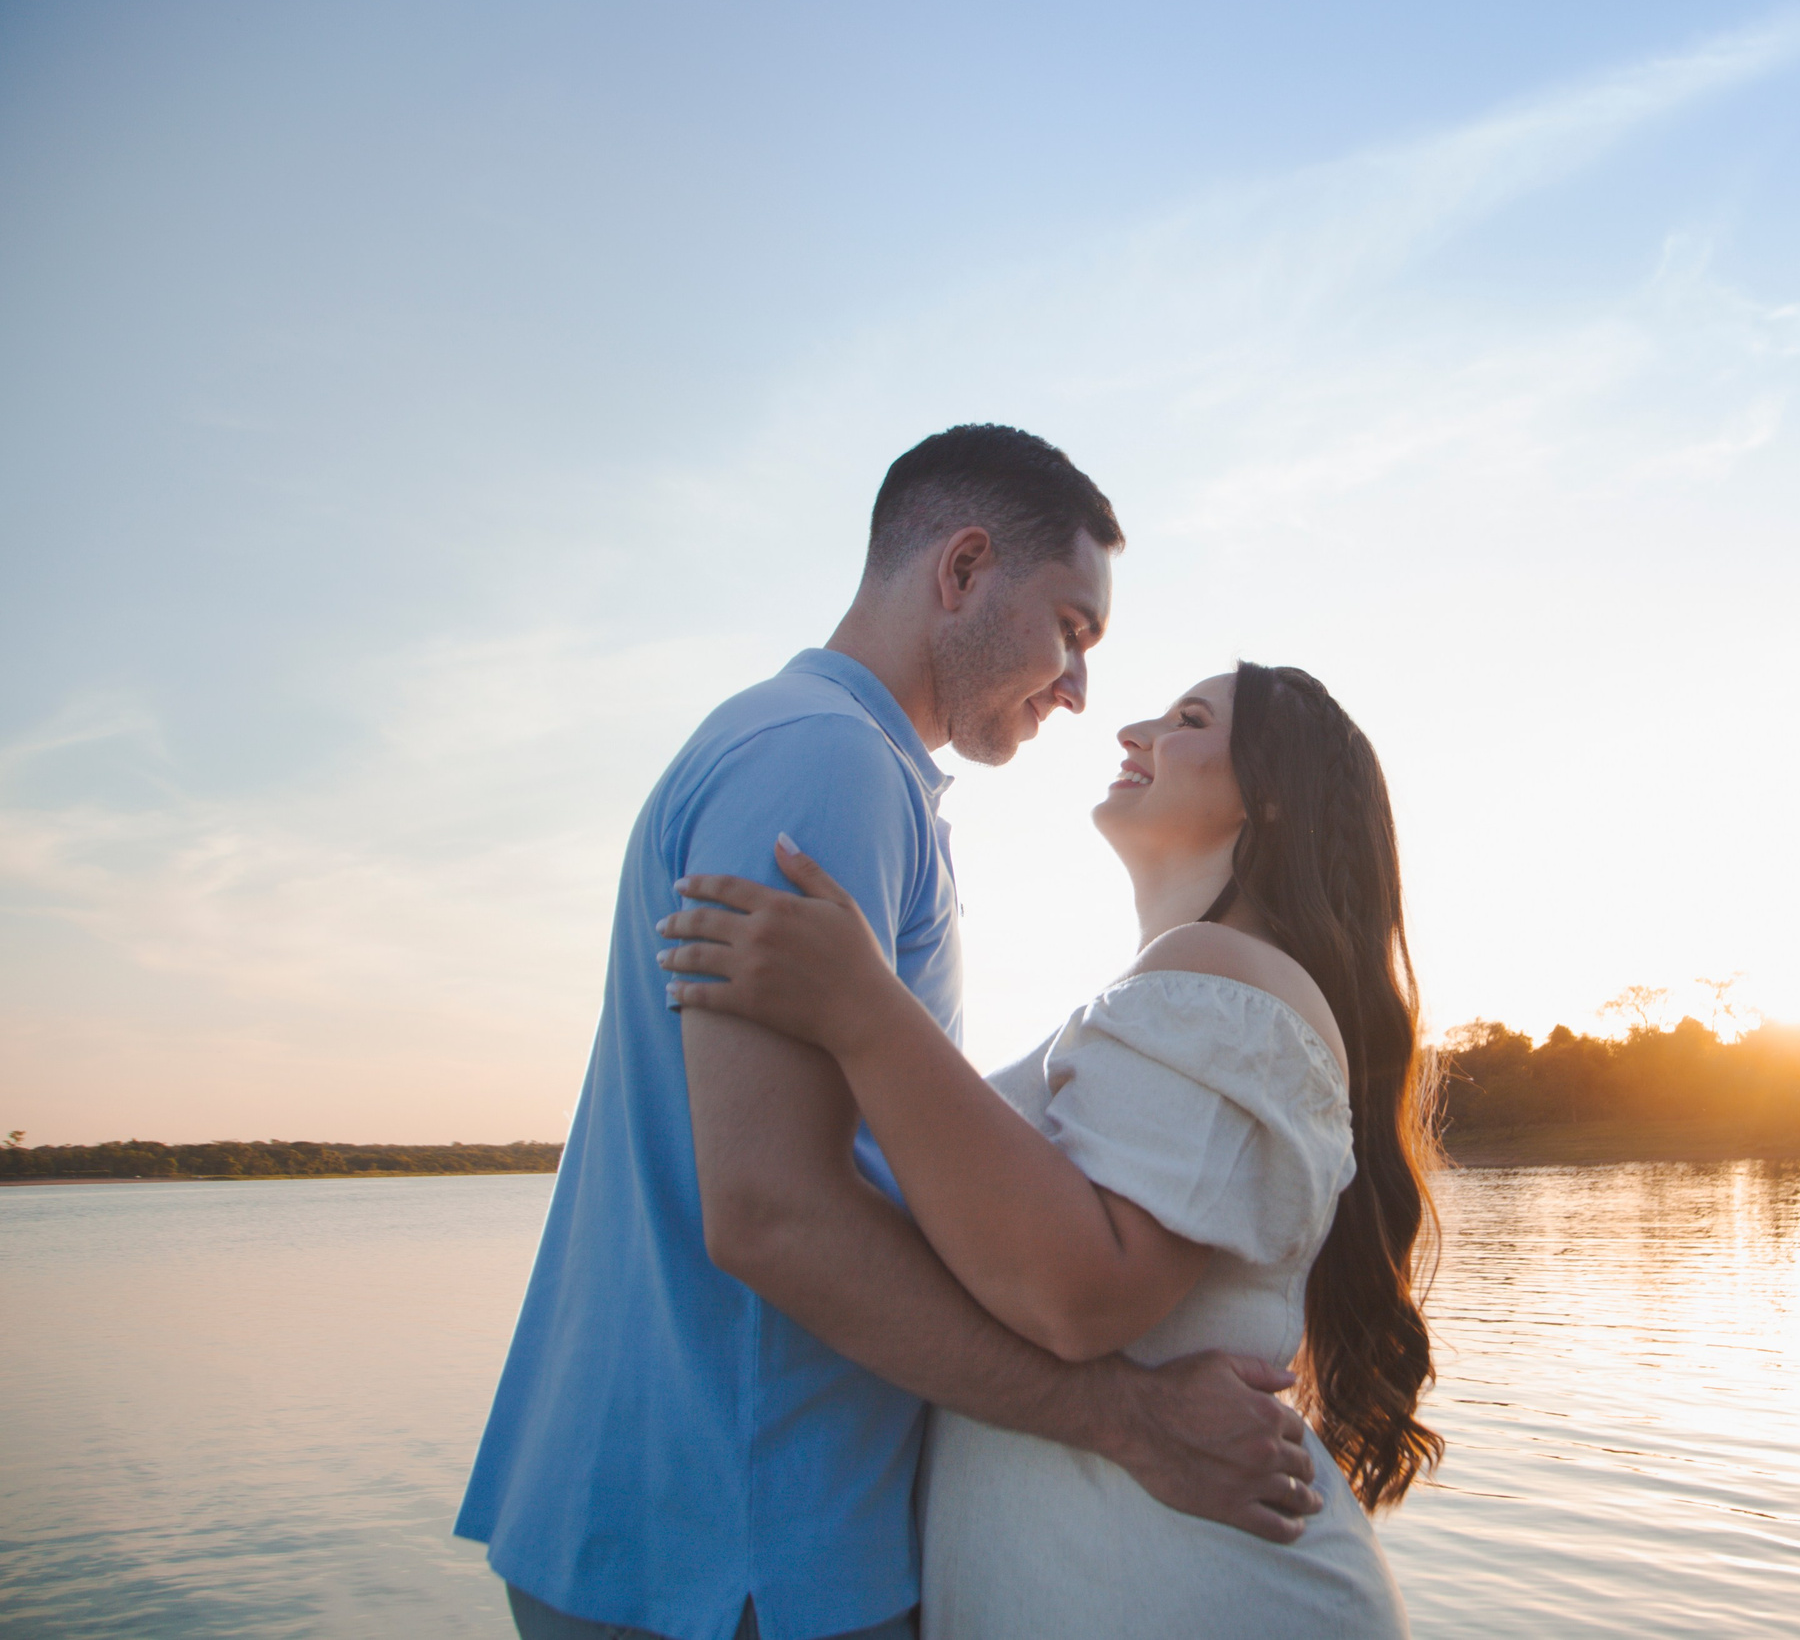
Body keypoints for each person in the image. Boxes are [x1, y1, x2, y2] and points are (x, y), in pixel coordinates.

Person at [457, 427, 1323, 1640]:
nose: (1080, 689)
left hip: (692, 1527)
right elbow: (772, 1208)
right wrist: (1125, 1420)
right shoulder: (827, 765)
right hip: (741, 1549)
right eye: (1071, 628)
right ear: (963, 570)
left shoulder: (824, 757)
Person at [659, 661, 1442, 1639]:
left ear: (1272, 800)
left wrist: (861, 1008)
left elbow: (1084, 1292)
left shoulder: (1220, 972)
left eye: (1188, 719)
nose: (1134, 731)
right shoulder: (1192, 991)